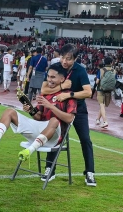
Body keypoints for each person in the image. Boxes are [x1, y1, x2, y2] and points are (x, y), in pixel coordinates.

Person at [0, 63, 76, 181]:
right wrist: (30, 110)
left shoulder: (68, 95)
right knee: (10, 112)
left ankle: (29, 151)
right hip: (41, 131)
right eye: (48, 77)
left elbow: (70, 119)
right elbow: (38, 117)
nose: (49, 80)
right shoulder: (46, 94)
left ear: (62, 79)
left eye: (53, 77)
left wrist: (51, 106)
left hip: (55, 137)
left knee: (53, 120)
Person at [41, 44, 97, 187]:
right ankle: (50, 169)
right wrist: (61, 87)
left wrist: (69, 94)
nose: (64, 62)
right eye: (62, 57)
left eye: (68, 59)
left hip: (79, 109)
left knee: (85, 139)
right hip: (58, 108)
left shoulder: (81, 70)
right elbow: (44, 89)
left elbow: (88, 92)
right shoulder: (55, 68)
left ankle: (90, 173)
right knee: (55, 136)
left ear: (75, 58)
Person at [95, 57, 114, 128]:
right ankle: (97, 119)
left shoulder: (101, 70)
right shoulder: (114, 71)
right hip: (109, 90)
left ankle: (105, 121)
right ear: (111, 63)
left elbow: (97, 81)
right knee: (103, 105)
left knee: (101, 104)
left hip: (100, 89)